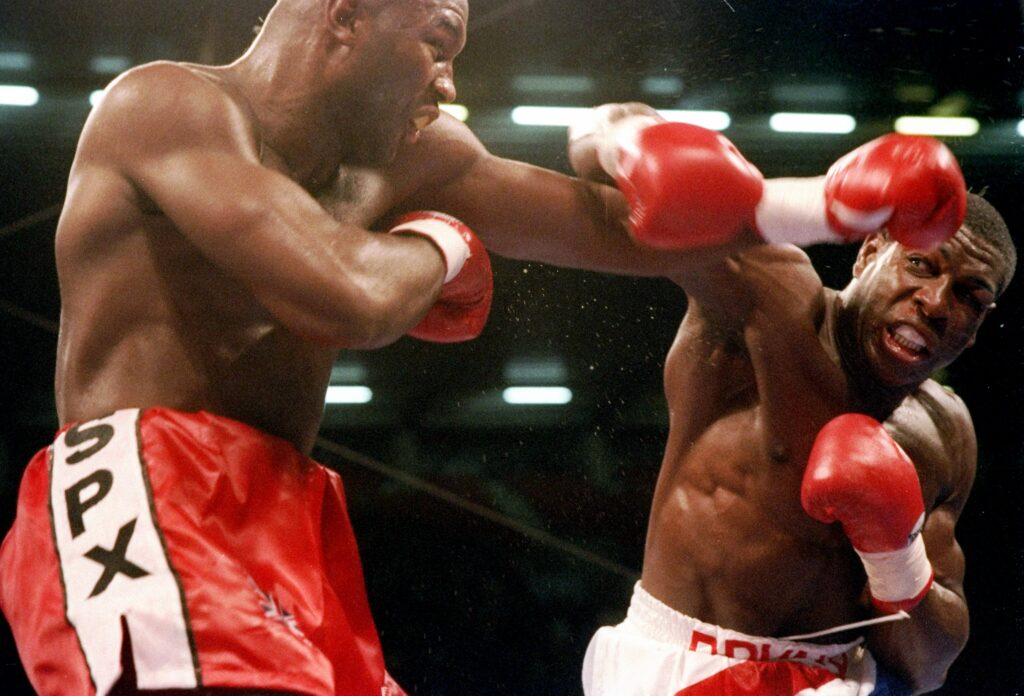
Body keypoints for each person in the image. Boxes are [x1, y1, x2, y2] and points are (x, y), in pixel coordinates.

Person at [0, 0, 977, 692]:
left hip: (293, 514)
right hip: (148, 479)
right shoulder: (168, 105)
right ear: (345, 16)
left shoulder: (415, 155)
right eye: (436, 40)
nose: (451, 75)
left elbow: (619, 226)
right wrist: (442, 242)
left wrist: (817, 204)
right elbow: (346, 297)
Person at [570, 107, 1016, 694]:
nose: (935, 302)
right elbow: (596, 150)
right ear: (867, 254)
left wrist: (896, 557)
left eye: (968, 296)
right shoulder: (773, 303)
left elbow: (927, 666)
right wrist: (626, 141)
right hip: (681, 666)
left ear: (979, 325)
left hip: (838, 681)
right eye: (919, 264)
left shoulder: (944, 431)